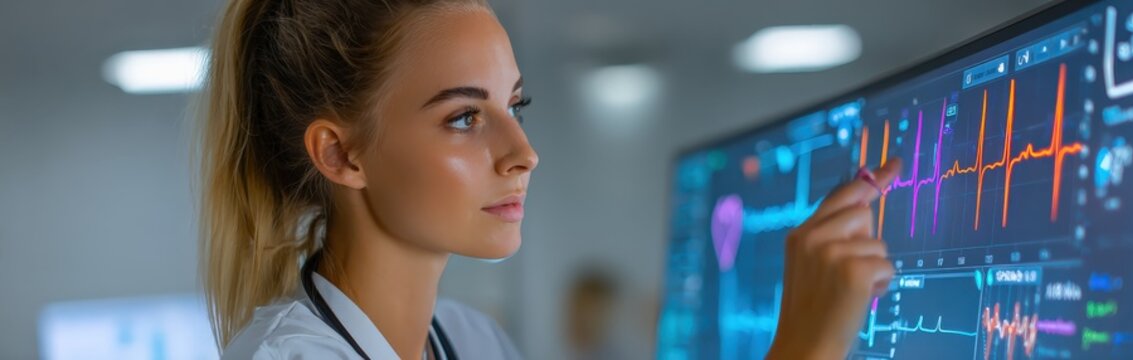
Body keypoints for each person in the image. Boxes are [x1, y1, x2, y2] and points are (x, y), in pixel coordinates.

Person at [198, 0, 904, 358]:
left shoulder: (469, 339)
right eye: (465, 118)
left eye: (515, 106)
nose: (523, 153)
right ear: (340, 155)